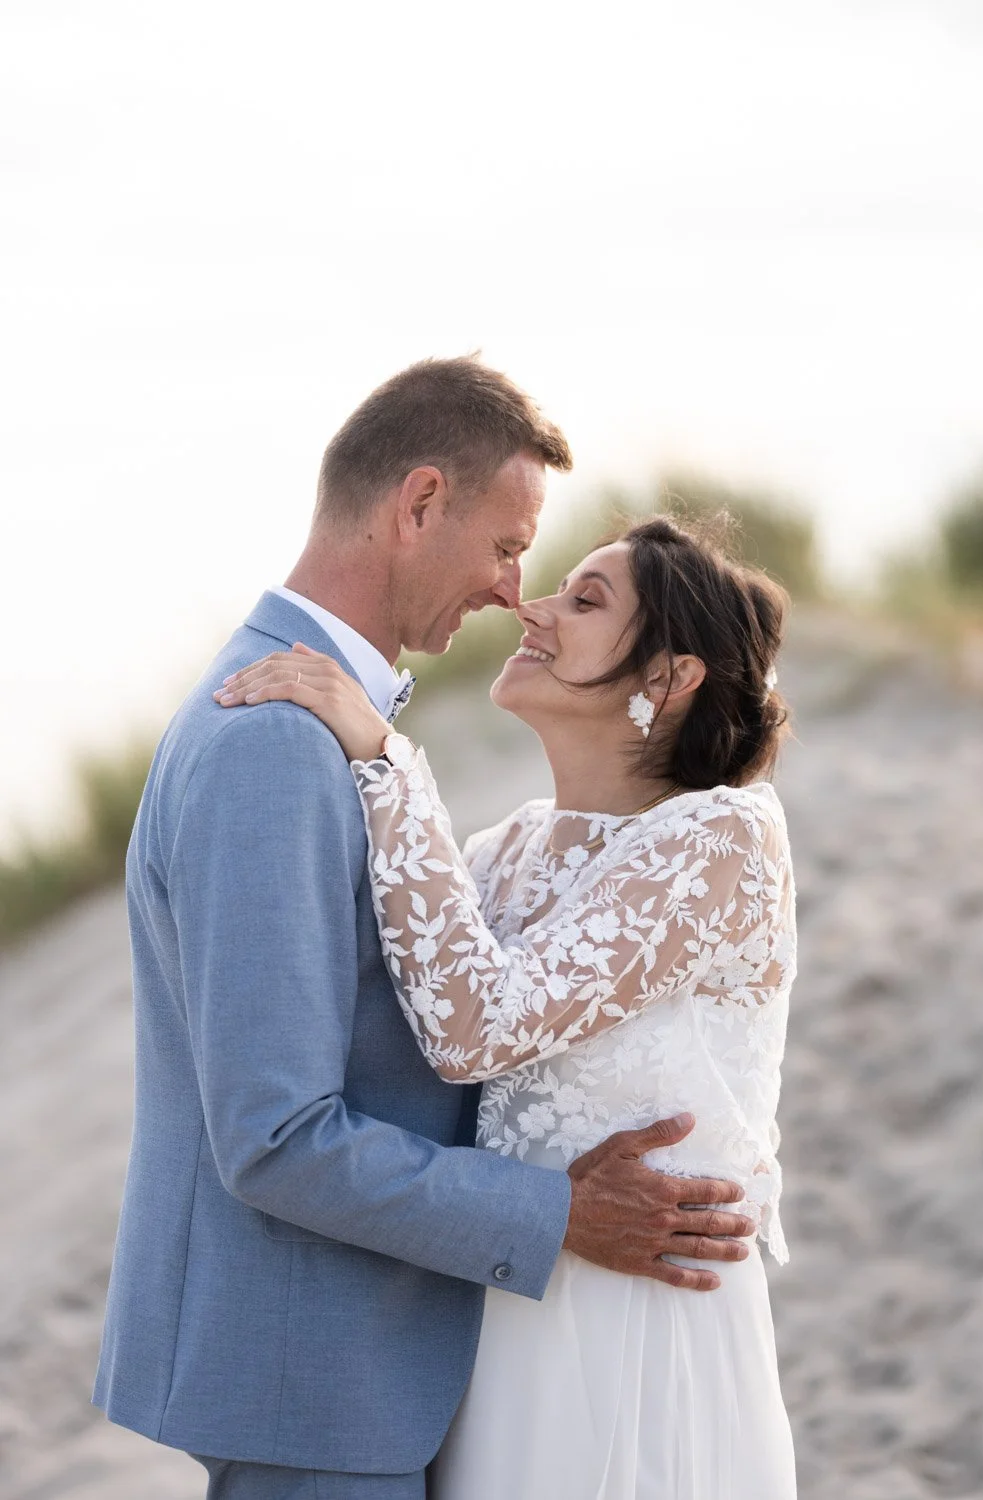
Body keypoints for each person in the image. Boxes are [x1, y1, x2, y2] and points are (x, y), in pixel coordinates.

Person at [93, 357, 757, 1500]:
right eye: (507, 547)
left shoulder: (321, 730)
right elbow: (275, 1135)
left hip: (400, 1366)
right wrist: (555, 1212)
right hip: (317, 1382)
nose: (514, 591)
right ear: (416, 505)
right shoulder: (271, 743)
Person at [217, 513, 798, 1499]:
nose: (531, 608)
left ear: (665, 678)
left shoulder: (724, 838)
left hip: (642, 1325)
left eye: (585, 599)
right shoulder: (505, 849)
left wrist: (385, 761)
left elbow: (473, 1026)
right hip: (501, 1311)